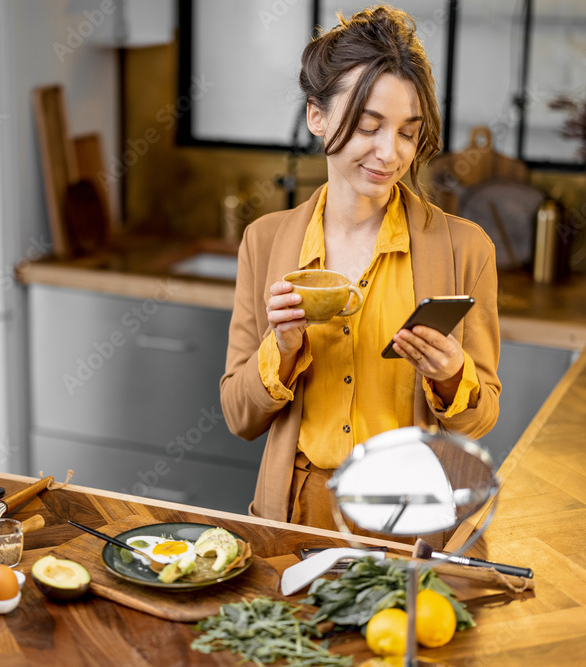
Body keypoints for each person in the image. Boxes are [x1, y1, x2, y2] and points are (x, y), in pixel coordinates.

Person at [220, 5, 501, 530]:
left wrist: (450, 376)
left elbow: (480, 417)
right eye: (369, 126)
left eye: (406, 133)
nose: (388, 153)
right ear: (317, 116)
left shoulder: (466, 250)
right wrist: (280, 352)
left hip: (410, 519)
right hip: (297, 513)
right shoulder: (264, 242)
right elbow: (240, 416)